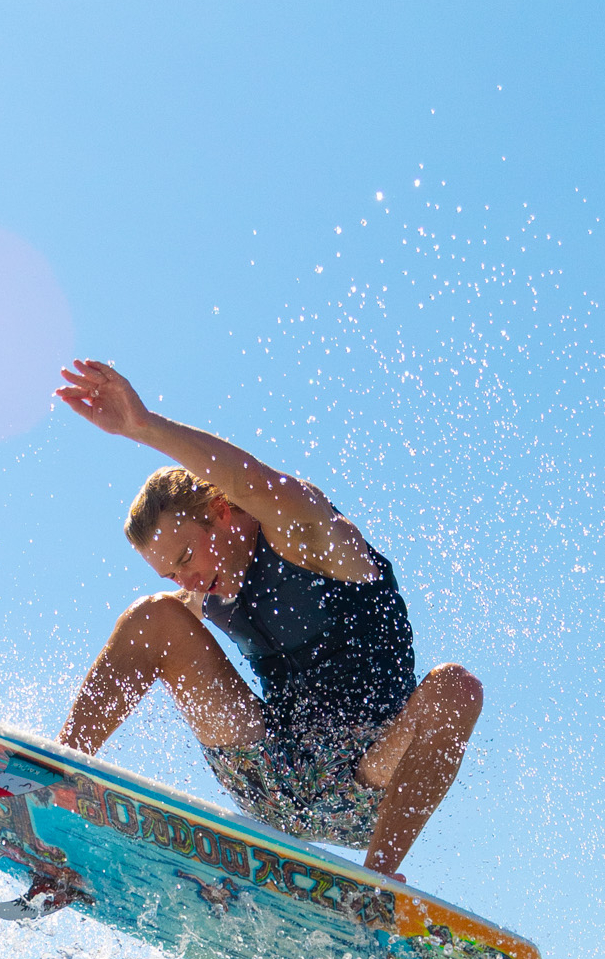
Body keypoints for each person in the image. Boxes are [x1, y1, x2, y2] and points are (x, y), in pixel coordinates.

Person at [52, 358, 482, 877]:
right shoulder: (206, 589)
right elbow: (146, 645)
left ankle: (375, 886)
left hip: (368, 784)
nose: (185, 581)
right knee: (153, 619)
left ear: (221, 510)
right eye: (172, 573)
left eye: (186, 558)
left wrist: (143, 427)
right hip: (270, 772)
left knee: (456, 687)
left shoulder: (311, 537)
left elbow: (252, 480)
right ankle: (55, 780)